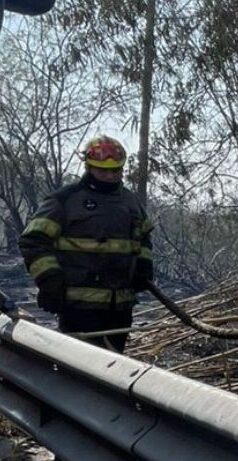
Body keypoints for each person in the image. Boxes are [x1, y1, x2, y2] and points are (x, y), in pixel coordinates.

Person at [18, 135, 154, 353]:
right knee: (80, 367)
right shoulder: (65, 200)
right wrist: (49, 279)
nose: (110, 176)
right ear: (89, 167)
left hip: (120, 304)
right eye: (103, 171)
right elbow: (33, 240)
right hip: (78, 306)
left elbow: (144, 237)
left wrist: (143, 265)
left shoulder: (130, 202)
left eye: (116, 171)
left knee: (114, 365)